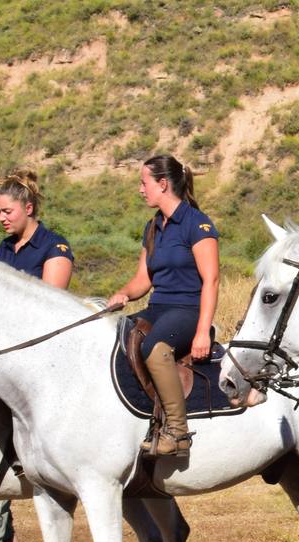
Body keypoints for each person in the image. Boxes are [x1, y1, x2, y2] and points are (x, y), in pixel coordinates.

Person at [0, 168, 71, 542]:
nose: (1, 217)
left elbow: (49, 309)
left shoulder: (54, 247)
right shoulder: (3, 248)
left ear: (28, 208)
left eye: (7, 210)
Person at [107, 155, 219, 457]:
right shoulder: (153, 227)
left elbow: (212, 280)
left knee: (155, 348)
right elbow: (142, 280)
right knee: (111, 338)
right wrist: (123, 295)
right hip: (158, 307)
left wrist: (202, 333)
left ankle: (178, 433)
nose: (140, 189)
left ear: (163, 184)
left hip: (188, 309)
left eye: (144, 183)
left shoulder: (198, 224)